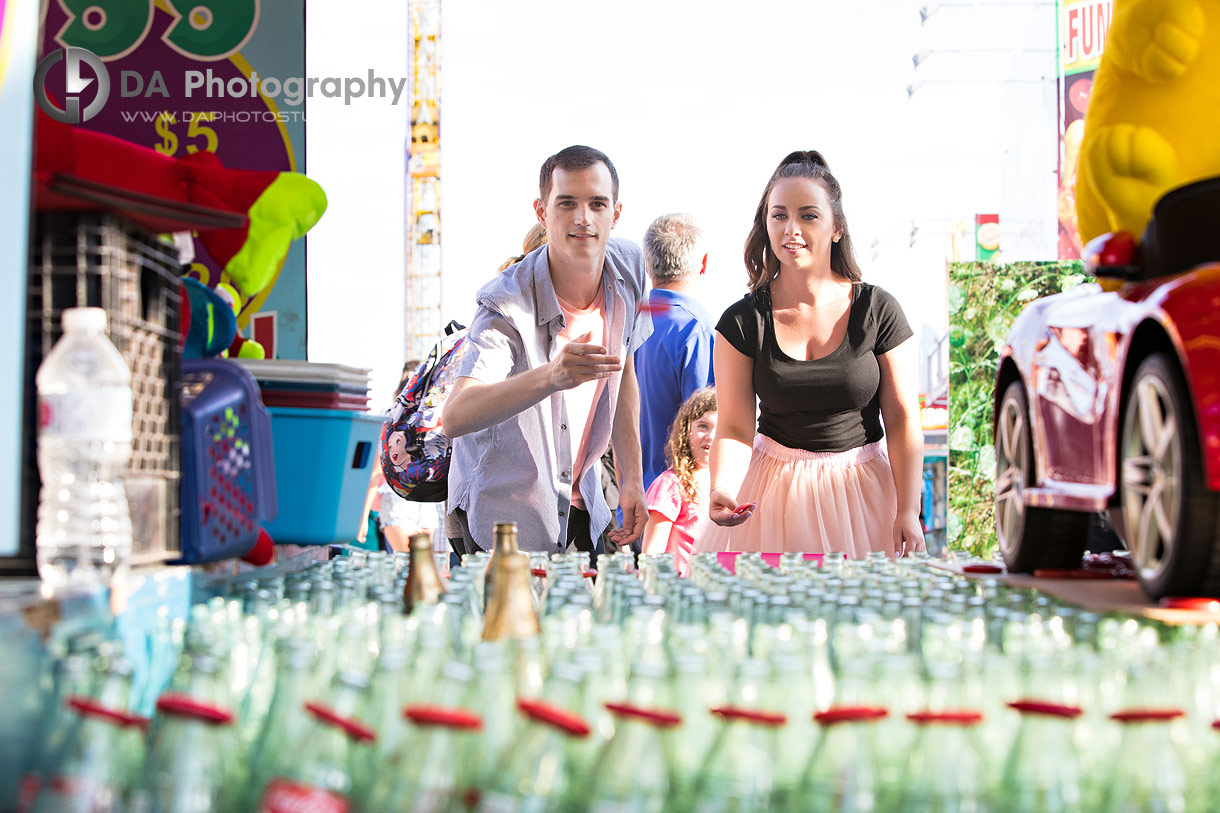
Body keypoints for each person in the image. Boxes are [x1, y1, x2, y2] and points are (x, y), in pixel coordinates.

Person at [696, 150, 926, 558]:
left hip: (866, 495)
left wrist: (908, 508)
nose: (791, 228)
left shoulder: (879, 309)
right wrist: (722, 487)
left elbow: (904, 418)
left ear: (836, 227)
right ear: (765, 223)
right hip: (771, 498)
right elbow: (733, 426)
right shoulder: (741, 321)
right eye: (779, 215)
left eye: (808, 215)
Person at [443, 145, 652, 555]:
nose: (583, 218)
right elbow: (454, 416)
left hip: (581, 502)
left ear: (617, 212)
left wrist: (632, 477)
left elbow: (623, 368)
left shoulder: (629, 268)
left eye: (597, 204)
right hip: (502, 517)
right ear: (541, 211)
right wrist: (551, 377)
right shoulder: (506, 303)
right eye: (567, 203)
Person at [635, 213, 716, 493]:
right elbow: (707, 430)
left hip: (633, 499)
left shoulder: (627, 323)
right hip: (681, 505)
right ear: (703, 263)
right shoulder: (697, 330)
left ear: (647, 265)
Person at [358, 361, 443, 553]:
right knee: (408, 563)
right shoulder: (391, 422)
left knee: (423, 563)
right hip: (399, 501)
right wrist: (363, 518)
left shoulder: (433, 420)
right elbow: (377, 471)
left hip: (427, 502)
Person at [641, 388, 716, 575]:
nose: (711, 436)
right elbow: (652, 554)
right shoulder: (671, 485)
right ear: (686, 431)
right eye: (703, 426)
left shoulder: (729, 485)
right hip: (680, 587)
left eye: (720, 429)